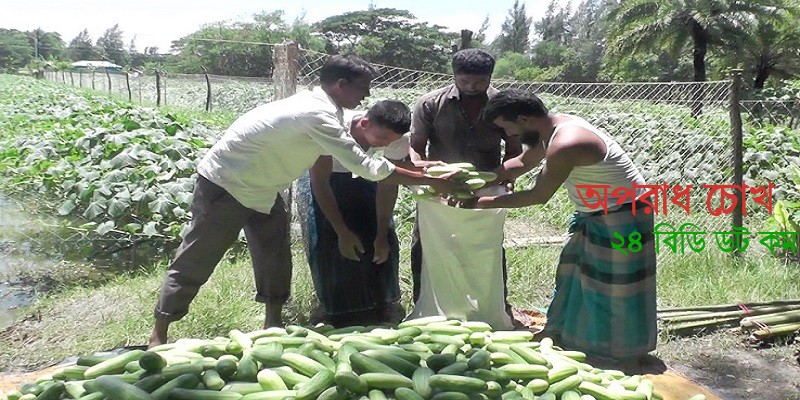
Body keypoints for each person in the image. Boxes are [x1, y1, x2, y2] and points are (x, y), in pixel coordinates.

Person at [148, 54, 465, 348]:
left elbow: (382, 161)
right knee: (198, 256)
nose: (365, 97)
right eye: (362, 88)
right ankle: (160, 332)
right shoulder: (316, 113)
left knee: (274, 254)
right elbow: (365, 166)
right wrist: (431, 180)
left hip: (266, 188)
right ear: (341, 85)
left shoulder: (332, 109)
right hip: (226, 183)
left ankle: (273, 322)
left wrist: (420, 168)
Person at [466, 89, 657, 364]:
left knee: (614, 287)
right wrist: (477, 180)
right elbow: (522, 162)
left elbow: (538, 196)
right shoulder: (550, 129)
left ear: (523, 118)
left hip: (624, 215)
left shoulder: (566, 141)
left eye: (508, 128)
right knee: (577, 276)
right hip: (595, 211)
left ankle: (617, 351)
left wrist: (478, 203)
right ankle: (572, 337)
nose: (510, 136)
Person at [408, 48, 523, 319]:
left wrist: (505, 179)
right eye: (464, 82)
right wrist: (425, 175)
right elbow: (415, 148)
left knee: (486, 248)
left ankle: (492, 307)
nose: (472, 88)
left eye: (480, 82)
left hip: (486, 183)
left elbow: (515, 149)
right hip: (440, 186)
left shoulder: (502, 105)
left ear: (490, 77)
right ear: (454, 76)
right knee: (427, 245)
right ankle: (425, 306)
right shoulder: (430, 103)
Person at [303, 100, 412, 327]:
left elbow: (388, 184)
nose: (386, 144)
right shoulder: (332, 128)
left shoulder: (397, 137)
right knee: (326, 242)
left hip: (368, 174)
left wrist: (382, 233)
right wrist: (342, 231)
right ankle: (333, 310)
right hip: (325, 179)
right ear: (364, 124)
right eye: (381, 140)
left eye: (390, 142)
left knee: (380, 241)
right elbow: (320, 183)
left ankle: (384, 304)